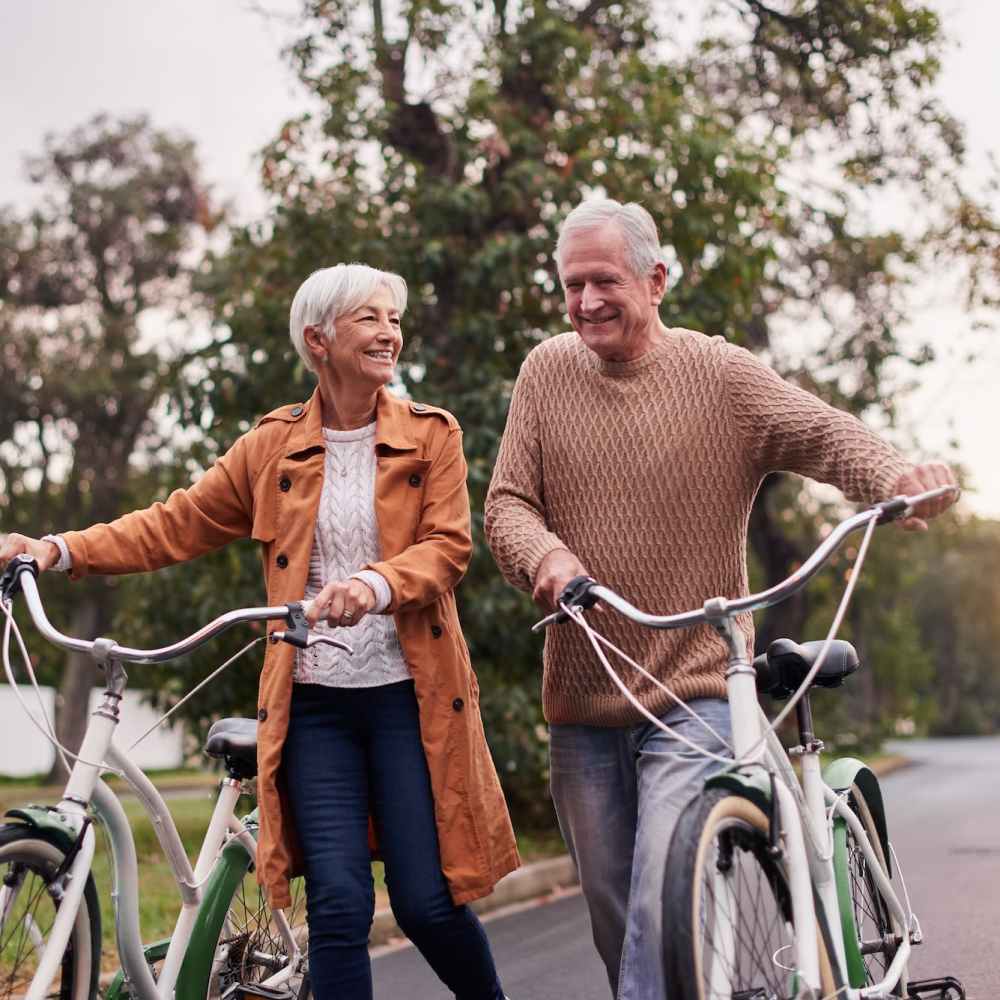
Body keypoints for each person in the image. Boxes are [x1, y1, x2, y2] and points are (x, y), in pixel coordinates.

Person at [1, 263, 519, 1000]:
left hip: (406, 699)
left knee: (426, 904)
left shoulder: (432, 436)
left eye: (394, 319)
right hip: (314, 707)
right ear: (319, 339)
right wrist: (58, 549)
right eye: (370, 318)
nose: (390, 333)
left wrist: (372, 585)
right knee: (337, 906)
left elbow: (447, 548)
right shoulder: (272, 446)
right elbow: (174, 523)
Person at [483, 199, 956, 1000]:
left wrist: (896, 479)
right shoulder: (545, 372)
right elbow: (506, 506)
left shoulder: (719, 375)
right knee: (618, 922)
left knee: (662, 893)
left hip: (696, 688)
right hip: (583, 703)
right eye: (571, 285)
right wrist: (549, 556)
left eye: (604, 281)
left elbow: (823, 433)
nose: (586, 301)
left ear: (656, 280)